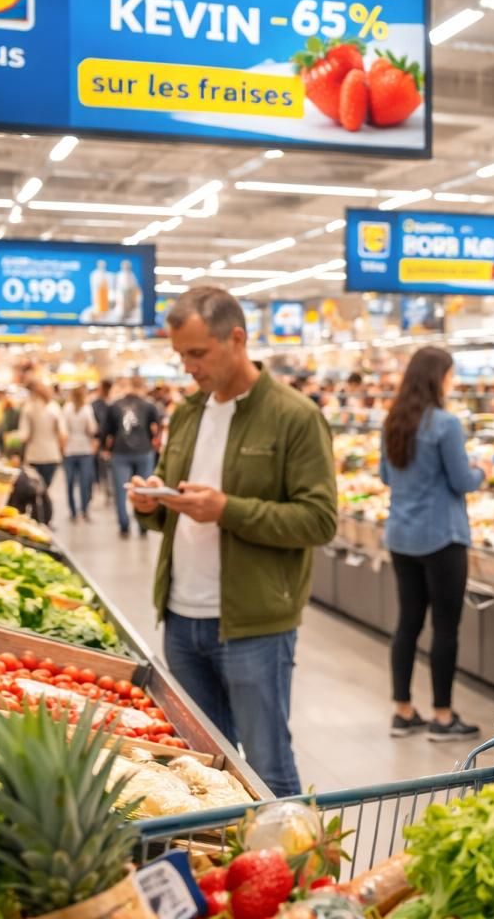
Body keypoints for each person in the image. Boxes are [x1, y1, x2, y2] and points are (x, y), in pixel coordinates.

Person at [129, 287, 337, 798]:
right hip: (181, 618)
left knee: (267, 766)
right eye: (181, 355)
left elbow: (319, 520)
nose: (188, 367)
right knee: (203, 767)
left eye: (198, 353)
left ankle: (295, 850)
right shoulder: (187, 413)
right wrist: (151, 504)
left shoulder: (294, 416)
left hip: (253, 624)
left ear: (237, 339)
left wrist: (228, 510)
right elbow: (173, 503)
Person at [379, 346, 491, 741]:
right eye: (450, 375)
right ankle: (442, 717)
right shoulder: (445, 424)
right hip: (442, 537)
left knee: (408, 622)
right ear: (438, 378)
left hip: (401, 536)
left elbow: (386, 475)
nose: (452, 382)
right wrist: (482, 470)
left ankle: (403, 711)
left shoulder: (393, 421)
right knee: (445, 628)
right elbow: (462, 481)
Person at [103, 378, 163, 538]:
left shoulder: (114, 405)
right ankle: (143, 525)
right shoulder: (149, 405)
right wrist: (153, 440)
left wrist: (105, 448)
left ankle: (124, 525)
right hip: (144, 451)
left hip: (120, 452)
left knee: (121, 490)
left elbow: (106, 431)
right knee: (144, 489)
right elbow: (156, 427)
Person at [15, 382, 65, 506]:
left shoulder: (28, 408)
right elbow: (63, 434)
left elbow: (24, 436)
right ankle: (44, 513)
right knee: (45, 490)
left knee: (33, 489)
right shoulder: (54, 407)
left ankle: (37, 514)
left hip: (34, 456)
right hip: (52, 455)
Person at [60, 386, 98, 522]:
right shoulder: (87, 409)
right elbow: (92, 429)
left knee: (70, 482)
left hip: (70, 449)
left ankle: (73, 512)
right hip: (84, 449)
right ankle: (84, 509)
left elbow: (63, 430)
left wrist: (62, 448)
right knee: (85, 482)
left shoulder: (67, 408)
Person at [90, 379, 114, 502]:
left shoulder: (112, 403)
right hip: (101, 441)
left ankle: (109, 490)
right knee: (103, 468)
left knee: (108, 468)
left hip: (109, 442)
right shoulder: (96, 404)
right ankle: (106, 490)